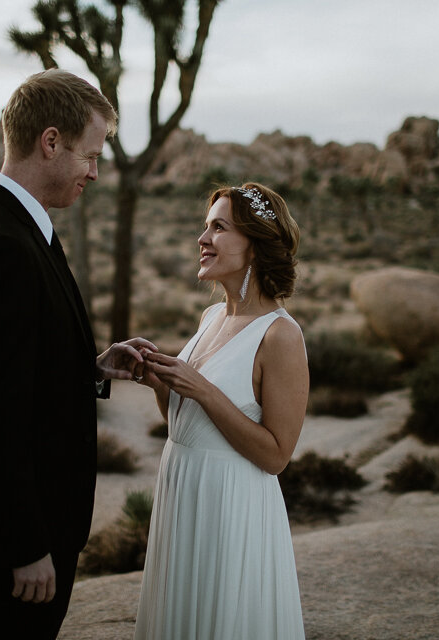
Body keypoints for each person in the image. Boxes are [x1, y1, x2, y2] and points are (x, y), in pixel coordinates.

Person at [0, 69, 155, 640]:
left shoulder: (23, 228)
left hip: (40, 520)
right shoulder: (1, 246)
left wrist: (89, 369)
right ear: (51, 141)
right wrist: (26, 545)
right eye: (90, 156)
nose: (94, 171)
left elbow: (18, 372)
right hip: (22, 535)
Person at [132, 182, 309, 638]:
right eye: (205, 227)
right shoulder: (211, 318)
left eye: (219, 228)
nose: (202, 239)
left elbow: (276, 456)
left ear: (253, 245)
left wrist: (204, 391)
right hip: (183, 490)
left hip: (231, 506)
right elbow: (185, 425)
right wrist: (158, 381)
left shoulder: (280, 335)